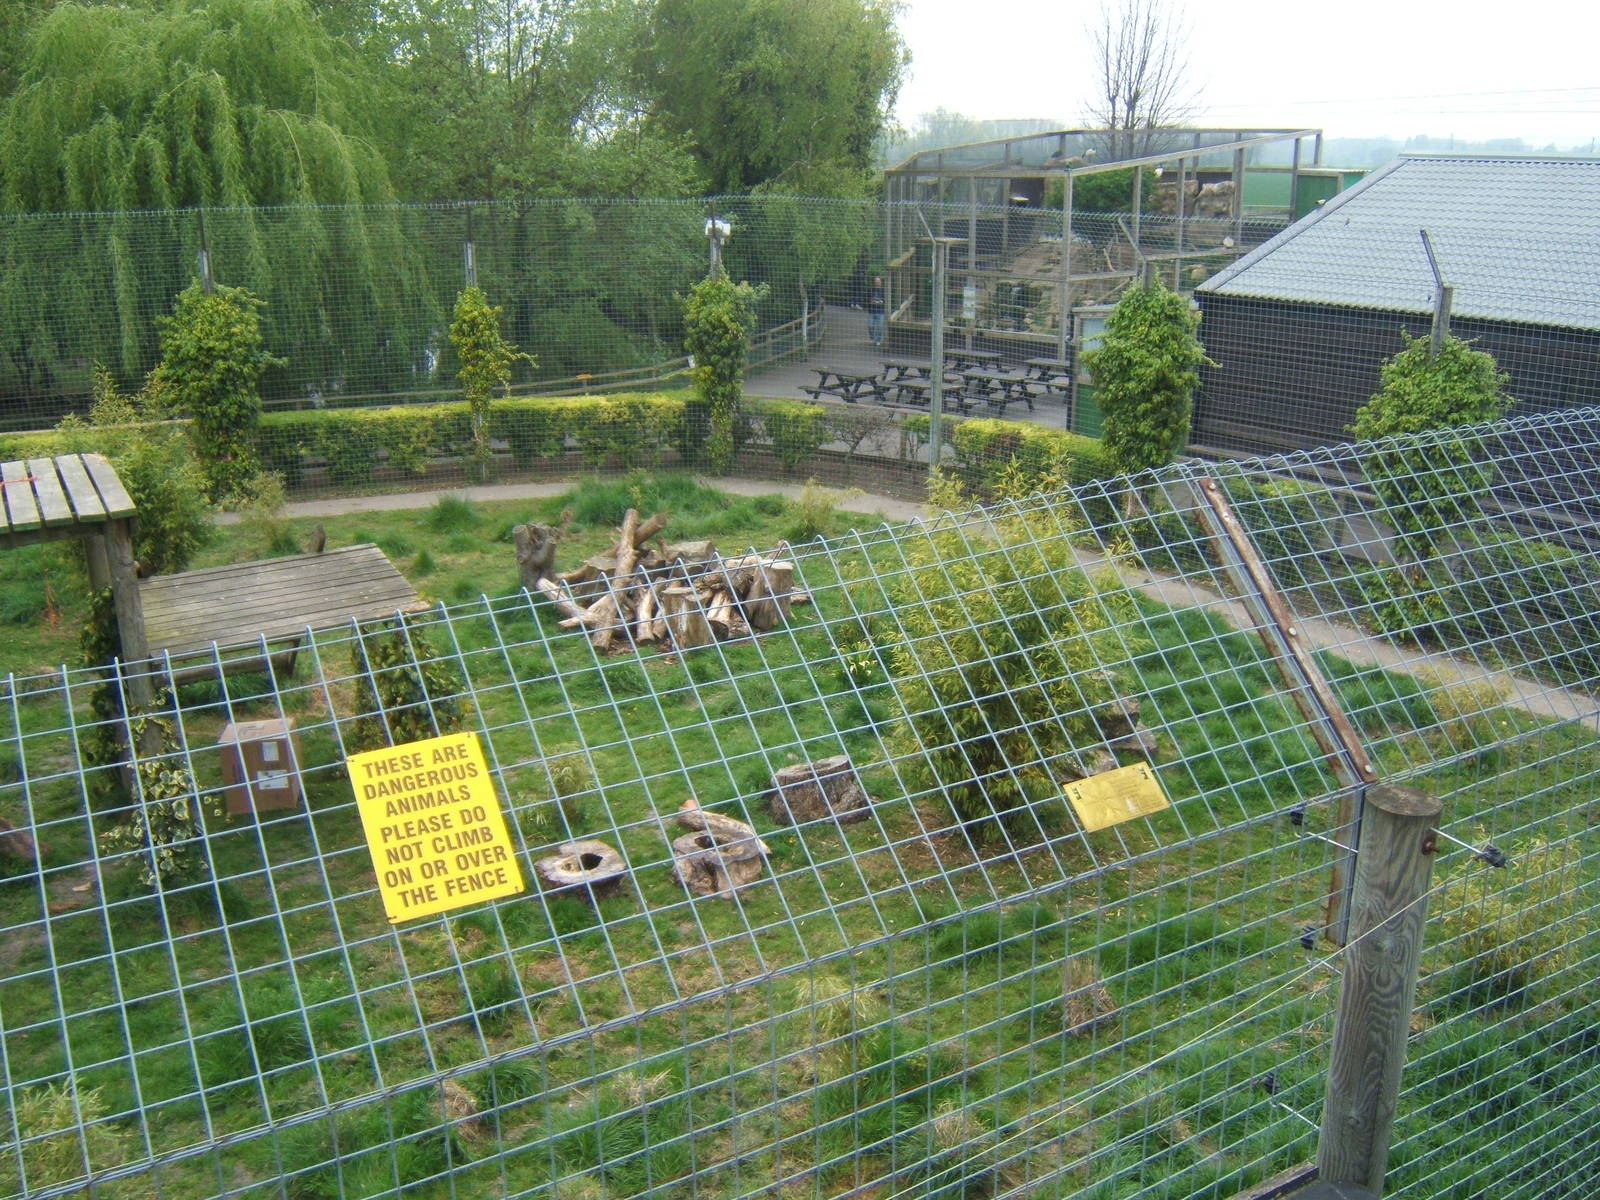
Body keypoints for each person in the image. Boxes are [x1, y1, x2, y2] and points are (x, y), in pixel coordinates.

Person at [866, 275, 885, 347]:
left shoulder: (883, 290)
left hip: (881, 312)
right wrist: (873, 301)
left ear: (881, 282)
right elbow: (868, 300)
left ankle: (878, 340)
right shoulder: (870, 290)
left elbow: (884, 301)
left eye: (878, 281)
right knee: (870, 326)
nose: (877, 283)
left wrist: (879, 302)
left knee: (880, 327)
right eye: (876, 282)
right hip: (872, 311)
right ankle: (872, 338)